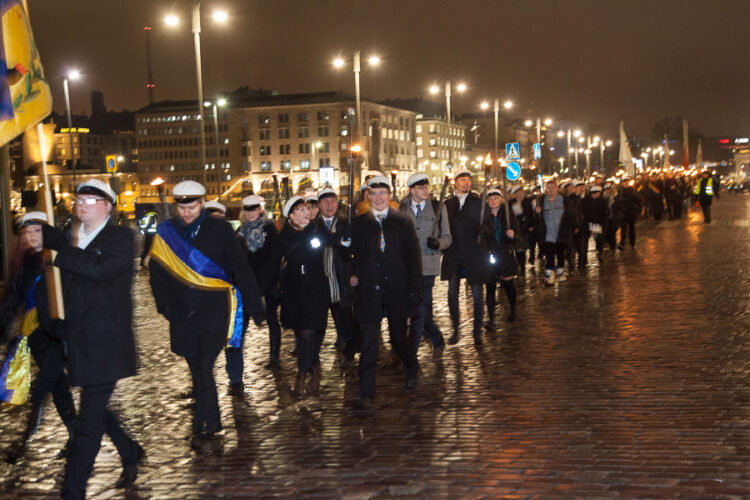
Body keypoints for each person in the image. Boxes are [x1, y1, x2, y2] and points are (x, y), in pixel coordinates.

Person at [41, 180, 143, 498]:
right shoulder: (74, 237)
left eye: (90, 200)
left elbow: (98, 270)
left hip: (108, 344)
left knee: (88, 421)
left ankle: (73, 490)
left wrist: (59, 252)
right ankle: (130, 451)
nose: (82, 205)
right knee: (96, 410)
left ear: (108, 206)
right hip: (79, 341)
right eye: (78, 199)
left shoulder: (121, 238)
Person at [148, 181, 265, 449]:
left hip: (213, 312)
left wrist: (256, 309)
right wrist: (165, 307)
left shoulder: (220, 230)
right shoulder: (166, 232)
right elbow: (157, 274)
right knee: (196, 369)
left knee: (204, 368)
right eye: (182, 207)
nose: (187, 213)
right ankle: (212, 418)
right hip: (181, 315)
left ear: (202, 203)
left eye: (192, 207)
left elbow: (241, 269)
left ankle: (202, 425)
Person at [1, 212, 75, 464]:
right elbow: (13, 298)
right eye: (27, 232)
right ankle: (76, 435)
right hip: (36, 336)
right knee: (58, 388)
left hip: (58, 335)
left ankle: (22, 443)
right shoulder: (25, 262)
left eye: (37, 231)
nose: (31, 237)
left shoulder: (58, 257)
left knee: (41, 388)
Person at [348, 175, 421, 411]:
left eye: (382, 194)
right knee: (369, 343)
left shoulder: (403, 222)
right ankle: (366, 393)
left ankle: (411, 367)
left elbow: (413, 258)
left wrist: (414, 289)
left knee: (399, 338)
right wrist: (353, 273)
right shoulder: (359, 224)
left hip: (396, 289)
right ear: (368, 196)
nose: (378, 198)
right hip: (370, 291)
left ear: (389, 196)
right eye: (374, 194)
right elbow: (350, 255)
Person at [267, 196, 340, 398]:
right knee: (304, 334)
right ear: (291, 215)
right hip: (294, 293)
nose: (306, 212)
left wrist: (346, 236)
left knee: (309, 332)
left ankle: (301, 375)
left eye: (307, 208)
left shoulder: (317, 229)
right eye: (300, 210)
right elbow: (273, 265)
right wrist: (262, 291)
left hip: (317, 290)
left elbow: (336, 241)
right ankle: (315, 367)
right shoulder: (284, 237)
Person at [398, 173, 451, 359]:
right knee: (423, 307)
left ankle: (411, 352)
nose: (425, 190)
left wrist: (438, 244)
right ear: (411, 190)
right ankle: (437, 338)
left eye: (427, 187)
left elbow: (448, 238)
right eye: (421, 188)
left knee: (419, 308)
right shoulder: (401, 208)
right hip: (408, 266)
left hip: (428, 265)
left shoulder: (438, 207)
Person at [441, 170, 492, 346]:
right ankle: (456, 329)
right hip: (454, 253)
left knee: (478, 294)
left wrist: (485, 230)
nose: (466, 183)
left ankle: (477, 332)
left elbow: (487, 224)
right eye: (462, 180)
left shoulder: (477, 202)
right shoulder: (447, 204)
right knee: (452, 294)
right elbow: (442, 228)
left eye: (468, 180)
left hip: (473, 253)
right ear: (455, 182)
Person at [236, 194, 282, 370]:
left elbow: (273, 259)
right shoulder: (240, 232)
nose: (250, 213)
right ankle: (237, 363)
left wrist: (263, 286)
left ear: (259, 209)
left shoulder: (269, 229)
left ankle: (274, 357)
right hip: (247, 285)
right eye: (247, 210)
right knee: (242, 323)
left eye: (253, 209)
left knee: (271, 319)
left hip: (267, 283)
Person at [315, 187, 358, 367]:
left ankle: (349, 352)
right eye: (325, 202)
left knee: (345, 317)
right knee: (319, 321)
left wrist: (354, 273)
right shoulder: (314, 226)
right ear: (319, 205)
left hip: (342, 276)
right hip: (321, 279)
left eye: (332, 201)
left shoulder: (345, 224)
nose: (329, 205)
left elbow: (355, 250)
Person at [485, 189, 520, 325]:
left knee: (508, 283)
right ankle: (491, 318)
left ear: (500, 200)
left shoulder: (507, 215)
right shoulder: (484, 216)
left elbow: (519, 237)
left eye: (495, 198)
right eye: (490, 199)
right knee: (490, 287)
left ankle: (513, 309)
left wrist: (513, 235)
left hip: (505, 254)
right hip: (490, 254)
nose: (493, 201)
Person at [535, 178, 576, 286]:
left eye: (553, 188)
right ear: (546, 190)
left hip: (561, 233)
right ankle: (549, 275)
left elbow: (571, 214)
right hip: (548, 234)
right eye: (549, 188)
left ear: (557, 189)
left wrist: (575, 226)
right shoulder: (542, 201)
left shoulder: (564, 200)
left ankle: (560, 272)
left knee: (560, 253)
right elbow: (537, 219)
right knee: (549, 255)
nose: (551, 190)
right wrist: (537, 213)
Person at [509, 185, 534, 274]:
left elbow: (530, 214)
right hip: (516, 229)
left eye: (521, 193)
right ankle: (519, 266)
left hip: (524, 229)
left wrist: (530, 225)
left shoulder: (527, 202)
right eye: (518, 193)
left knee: (523, 249)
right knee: (518, 249)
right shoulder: (511, 202)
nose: (520, 195)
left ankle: (522, 267)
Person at [582, 186, 609, 261]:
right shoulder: (587, 201)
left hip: (599, 223)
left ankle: (599, 252)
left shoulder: (602, 201)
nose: (597, 195)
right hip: (590, 223)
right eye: (596, 193)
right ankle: (585, 255)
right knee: (589, 238)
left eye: (599, 193)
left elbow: (606, 211)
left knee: (599, 238)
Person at [616, 178, 640, 249]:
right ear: (622, 183)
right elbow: (617, 201)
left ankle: (632, 243)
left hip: (631, 212)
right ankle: (622, 243)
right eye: (624, 182)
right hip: (623, 213)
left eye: (627, 182)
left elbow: (637, 200)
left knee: (631, 229)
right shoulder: (619, 191)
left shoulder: (632, 190)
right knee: (623, 229)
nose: (626, 183)